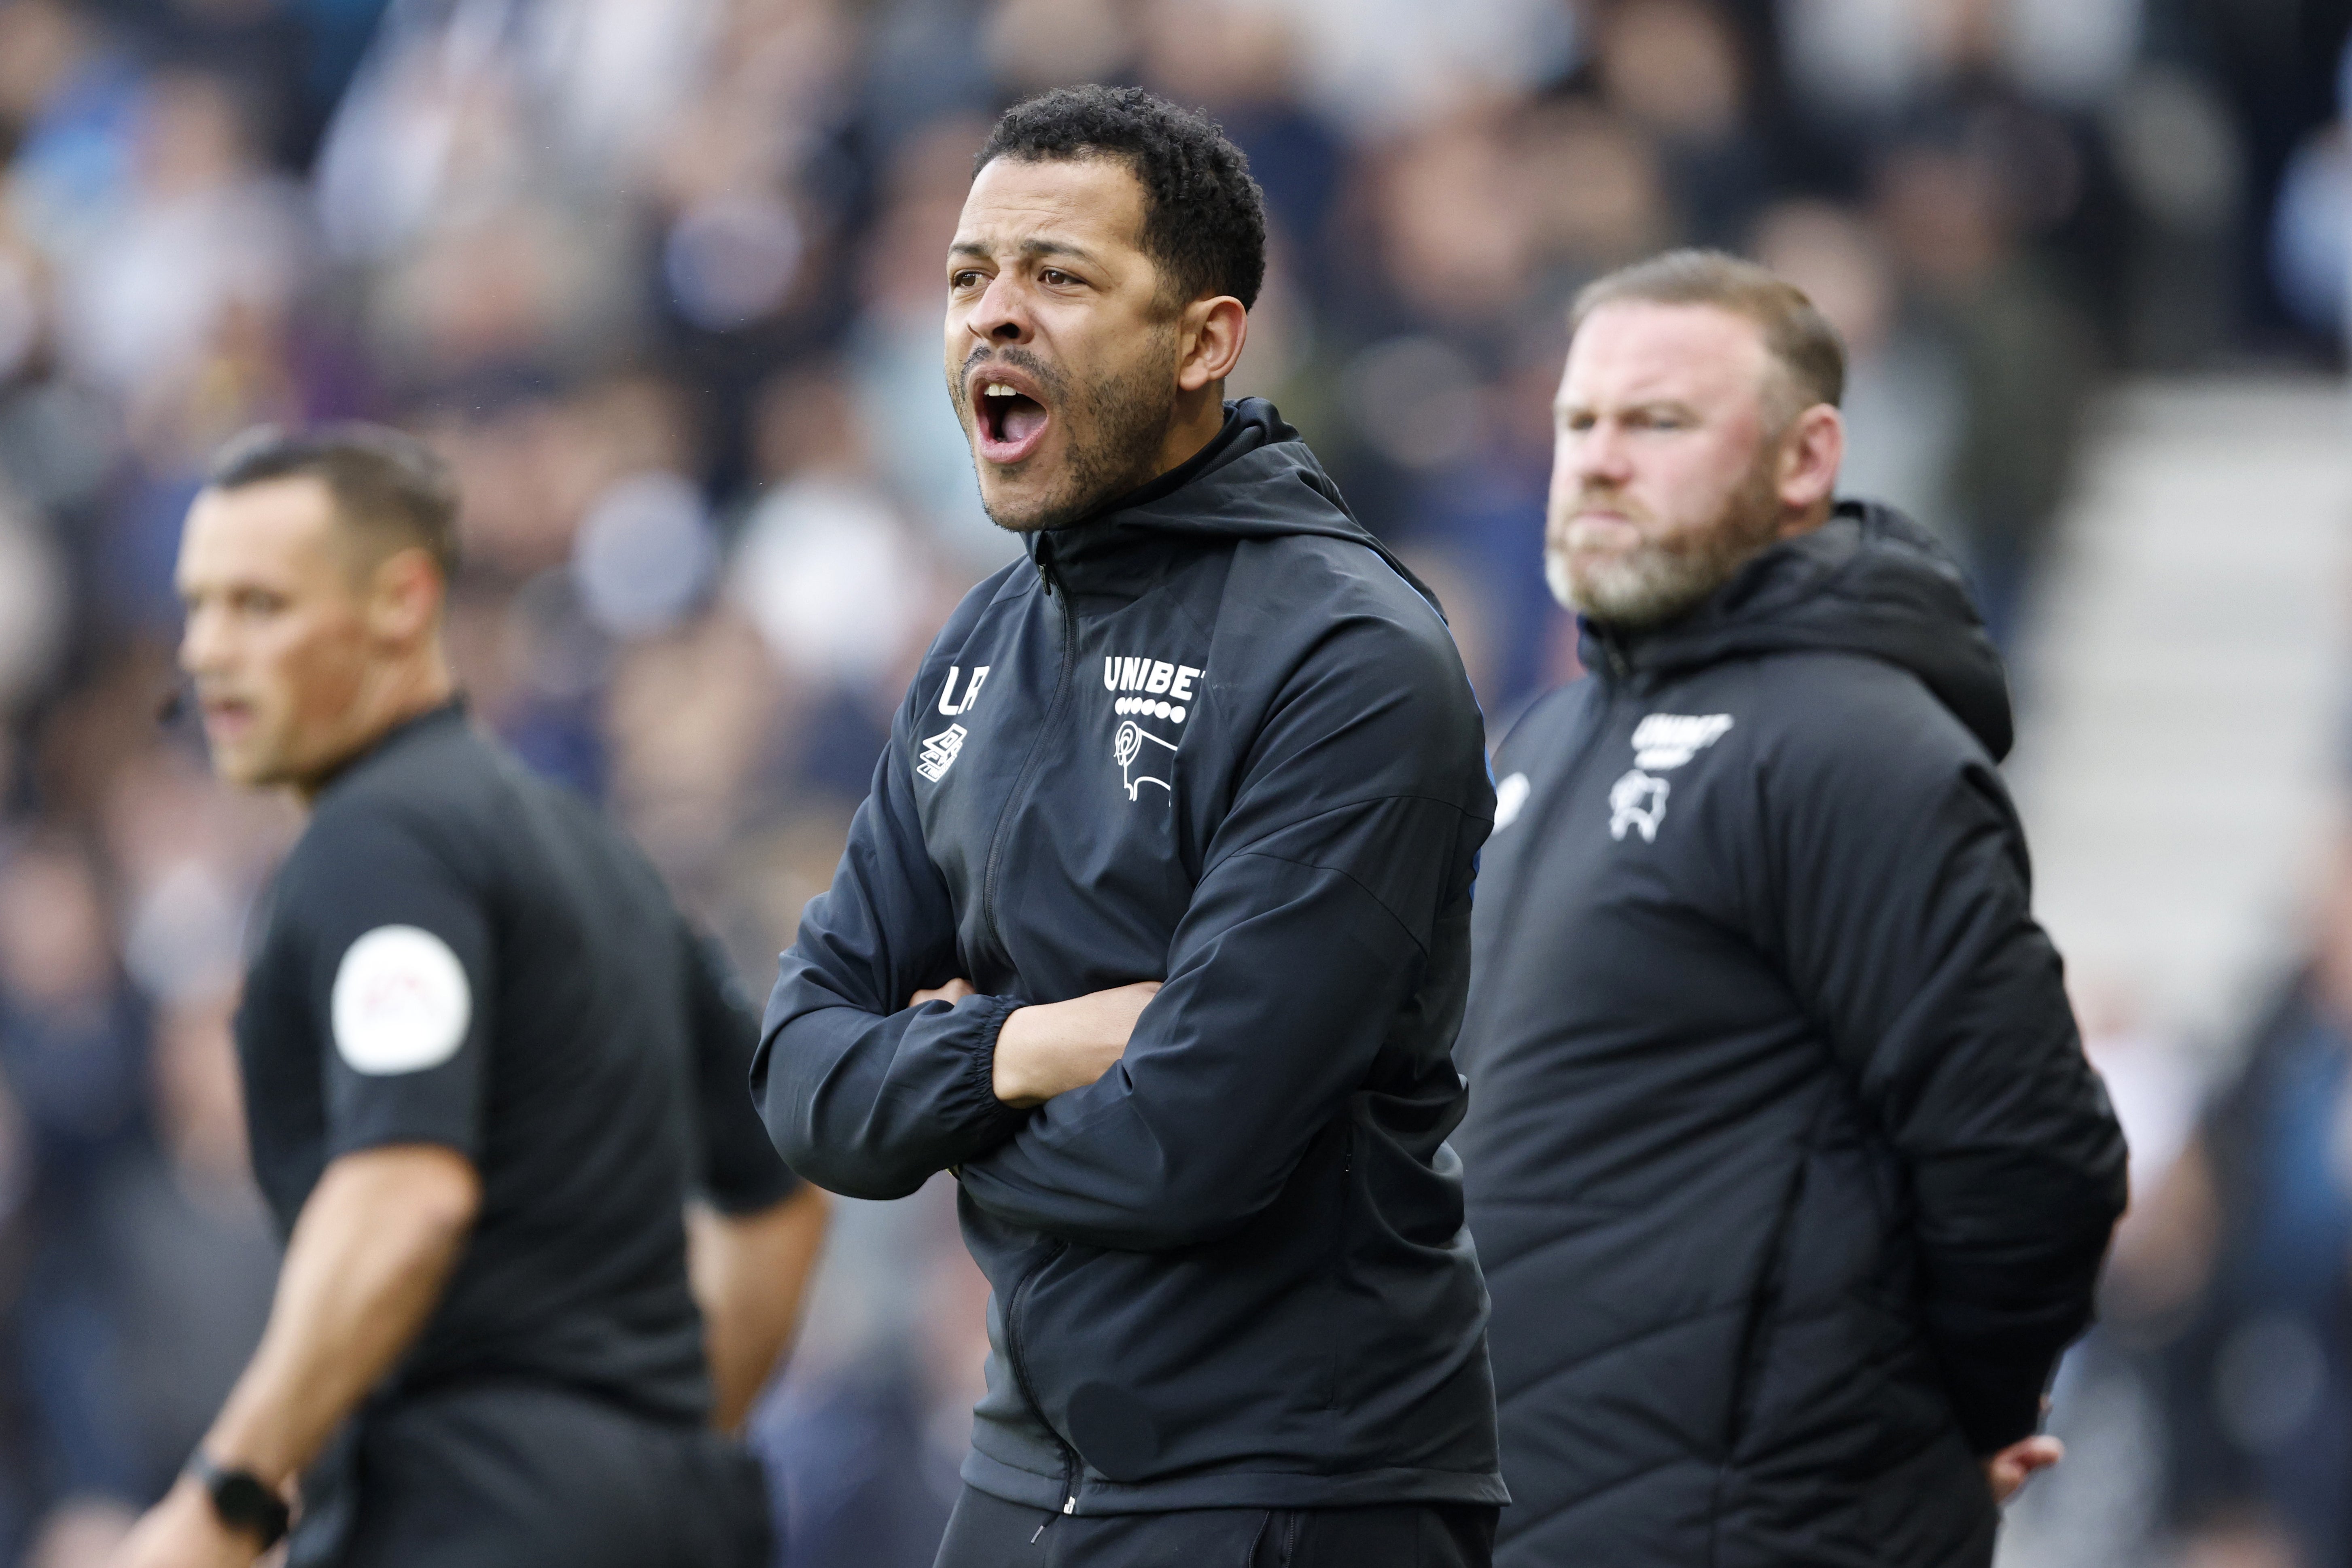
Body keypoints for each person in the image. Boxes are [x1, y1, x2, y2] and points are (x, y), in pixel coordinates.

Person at [752, 85, 1504, 1568]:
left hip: (1302, 1481)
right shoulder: (979, 644)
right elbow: (794, 1072)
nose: (994, 316)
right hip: (1032, 1465)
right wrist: (1028, 1047)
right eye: (969, 277)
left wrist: (931, 1118)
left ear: (1205, 342)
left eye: (1061, 276)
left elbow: (1187, 1143)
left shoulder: (1348, 658)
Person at [1449, 250, 2128, 1568]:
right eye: (1578, 422)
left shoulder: (1855, 746)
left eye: (1657, 422)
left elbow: (2030, 1152)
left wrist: (1953, 1420)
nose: (1596, 460)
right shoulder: (1541, 744)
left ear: (1806, 458)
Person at [112, 425, 827, 1568]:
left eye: (260, 606)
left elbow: (407, 1197)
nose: (206, 651)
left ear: (402, 602)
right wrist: (660, 1438)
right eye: (198, 607)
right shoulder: (593, 852)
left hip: (472, 1507)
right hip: (682, 1511)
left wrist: (226, 1497)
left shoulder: (374, 839)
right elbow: (783, 1188)